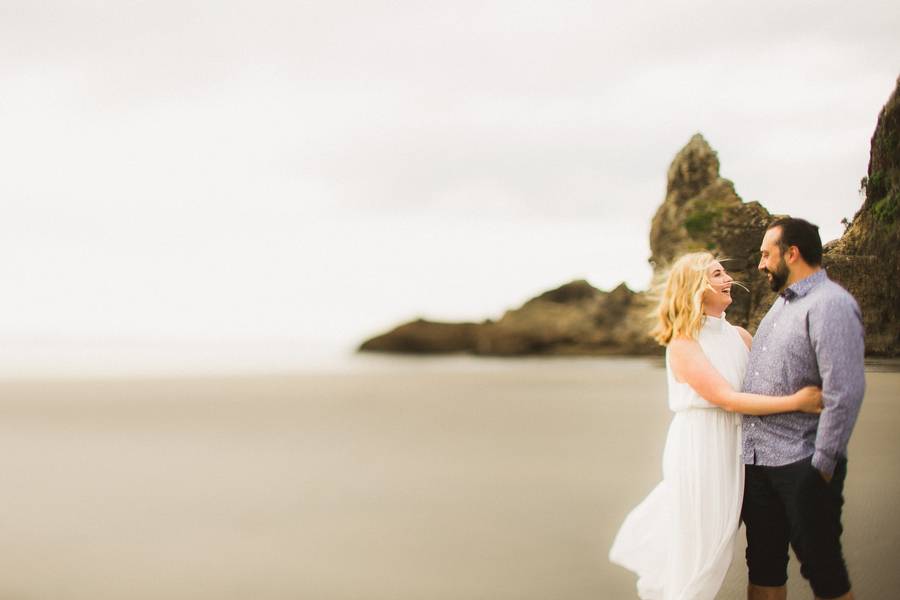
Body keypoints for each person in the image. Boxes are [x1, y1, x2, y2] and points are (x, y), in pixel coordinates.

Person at [609, 251, 822, 600]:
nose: (728, 279)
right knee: (702, 555)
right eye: (717, 274)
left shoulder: (739, 336)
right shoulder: (683, 341)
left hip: (742, 449)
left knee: (746, 548)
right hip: (702, 448)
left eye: (725, 273)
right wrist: (797, 402)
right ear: (695, 288)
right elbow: (726, 398)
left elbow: (766, 387)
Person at [741, 218, 865, 600]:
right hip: (759, 462)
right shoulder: (781, 305)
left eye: (766, 254)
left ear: (791, 253)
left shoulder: (831, 305)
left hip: (803, 463)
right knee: (763, 565)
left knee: (824, 571)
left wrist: (822, 465)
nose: (761, 264)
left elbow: (845, 392)